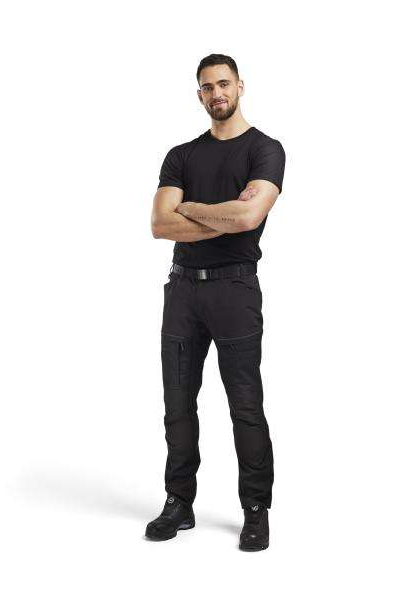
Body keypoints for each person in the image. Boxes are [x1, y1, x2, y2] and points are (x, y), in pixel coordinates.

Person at [146, 53, 286, 551]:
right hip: (182, 292)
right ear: (199, 94)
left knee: (245, 405)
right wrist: (223, 216)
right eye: (207, 87)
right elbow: (160, 225)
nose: (216, 93)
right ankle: (178, 502)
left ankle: (255, 510)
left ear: (240, 86)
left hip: (235, 290)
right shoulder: (181, 155)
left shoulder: (265, 150)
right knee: (178, 404)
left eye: (223, 84)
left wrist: (191, 209)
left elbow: (249, 217)